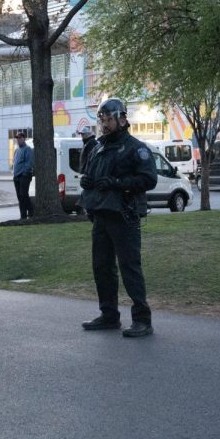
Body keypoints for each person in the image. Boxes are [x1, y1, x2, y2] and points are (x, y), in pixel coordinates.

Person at [79, 98, 158, 338]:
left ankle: (142, 319)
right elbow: (92, 175)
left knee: (129, 266)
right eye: (102, 119)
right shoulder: (99, 147)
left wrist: (117, 183)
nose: (104, 123)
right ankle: (109, 314)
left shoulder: (136, 148)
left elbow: (149, 179)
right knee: (102, 267)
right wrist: (88, 182)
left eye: (109, 118)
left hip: (124, 214)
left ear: (122, 119)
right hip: (101, 214)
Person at [12, 129, 34, 219]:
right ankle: (23, 215)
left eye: (20, 137)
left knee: (23, 195)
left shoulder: (27, 149)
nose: (18, 139)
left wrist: (25, 173)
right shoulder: (17, 150)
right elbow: (15, 163)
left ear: (24, 138)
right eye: (17, 138)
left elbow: (29, 163)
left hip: (24, 176)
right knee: (19, 197)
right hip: (16, 176)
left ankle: (31, 211)